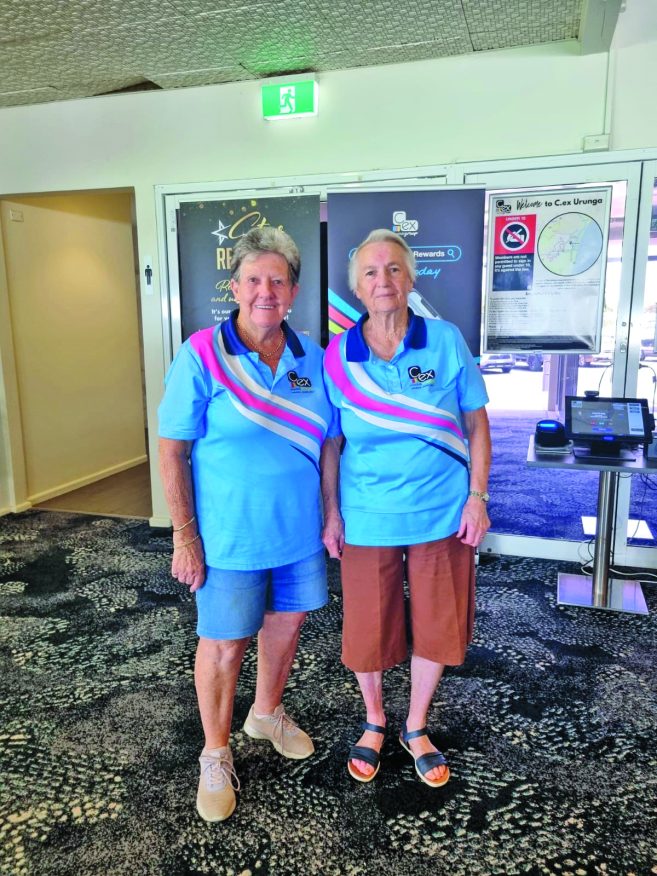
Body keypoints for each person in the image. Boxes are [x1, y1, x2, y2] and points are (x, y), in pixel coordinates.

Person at [158, 227, 337, 822]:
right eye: (254, 280)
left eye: (277, 281)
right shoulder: (201, 354)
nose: (266, 291)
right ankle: (215, 753)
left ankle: (265, 714)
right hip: (229, 538)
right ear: (234, 287)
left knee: (285, 627)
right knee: (225, 644)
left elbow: (330, 444)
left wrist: (331, 514)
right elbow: (172, 450)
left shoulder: (315, 357)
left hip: (298, 534)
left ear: (293, 291)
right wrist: (185, 535)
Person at [321, 228, 491, 787]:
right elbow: (331, 443)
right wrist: (332, 513)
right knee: (367, 627)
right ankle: (374, 719)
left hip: (442, 511)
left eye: (394, 268)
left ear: (411, 278)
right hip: (367, 513)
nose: (383, 281)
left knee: (439, 622)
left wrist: (477, 498)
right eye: (371, 272)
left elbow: (478, 425)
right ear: (357, 288)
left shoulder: (445, 340)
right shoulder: (337, 356)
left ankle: (415, 725)